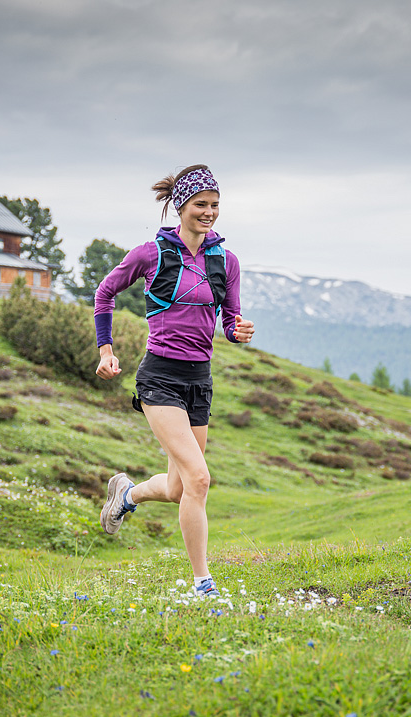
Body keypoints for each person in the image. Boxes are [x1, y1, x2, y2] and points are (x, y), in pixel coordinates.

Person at [94, 165, 255, 597]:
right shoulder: (150, 254)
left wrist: (238, 330)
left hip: (199, 380)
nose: (209, 212)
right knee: (200, 479)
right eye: (201, 204)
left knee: (178, 486)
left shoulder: (226, 261)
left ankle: (127, 495)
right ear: (181, 205)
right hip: (160, 378)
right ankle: (203, 582)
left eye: (215, 205)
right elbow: (104, 293)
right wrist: (106, 351)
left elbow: (229, 320)